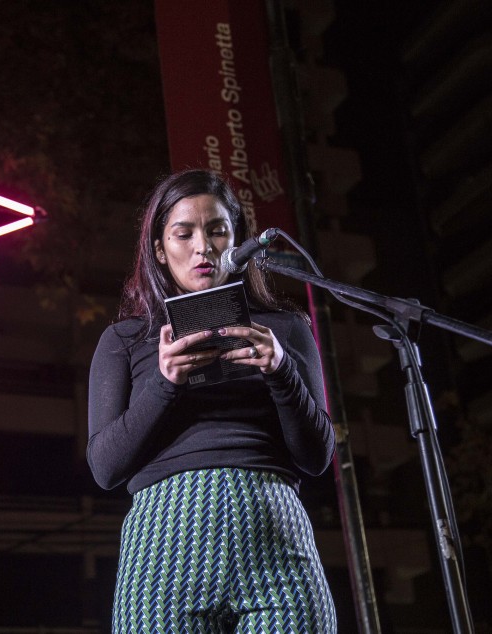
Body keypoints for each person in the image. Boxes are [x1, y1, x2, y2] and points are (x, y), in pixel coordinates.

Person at [87, 169, 337, 633]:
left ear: (238, 240)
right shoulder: (125, 339)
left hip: (274, 537)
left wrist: (282, 371)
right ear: (160, 250)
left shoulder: (284, 329)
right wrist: (165, 383)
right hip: (163, 547)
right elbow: (105, 467)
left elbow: (318, 456)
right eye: (184, 233)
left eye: (218, 230)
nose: (204, 246)